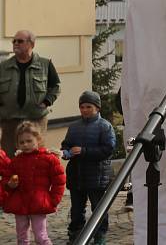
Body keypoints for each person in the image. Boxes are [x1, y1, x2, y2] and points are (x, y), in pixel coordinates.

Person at [61, 90, 116, 245]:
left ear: (97, 108)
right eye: (82, 107)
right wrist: (66, 152)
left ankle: (100, 236)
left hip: (97, 176)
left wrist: (84, 151)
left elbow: (108, 149)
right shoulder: (73, 127)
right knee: (76, 209)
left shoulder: (105, 126)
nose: (84, 110)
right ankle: (76, 235)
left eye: (88, 107)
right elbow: (66, 144)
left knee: (98, 208)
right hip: (76, 175)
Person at [2, 121, 66, 245]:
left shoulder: (49, 159)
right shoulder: (15, 162)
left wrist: (53, 199)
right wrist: (9, 185)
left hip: (39, 203)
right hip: (20, 204)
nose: (25, 145)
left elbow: (59, 180)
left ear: (38, 140)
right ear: (17, 143)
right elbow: (6, 178)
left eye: (29, 141)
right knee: (21, 237)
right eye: (22, 142)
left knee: (41, 236)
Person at [0, 30, 61, 156]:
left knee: (35, 157)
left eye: (20, 41)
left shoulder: (45, 64)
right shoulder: (3, 66)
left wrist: (46, 101)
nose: (15, 43)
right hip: (10, 121)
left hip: (36, 120)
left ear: (31, 44)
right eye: (14, 41)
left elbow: (55, 86)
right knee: (10, 158)